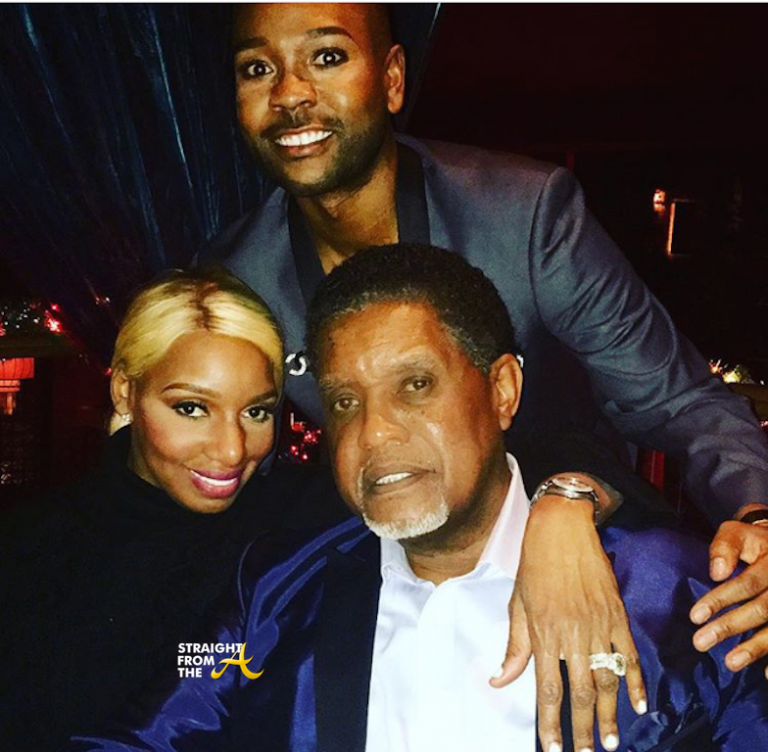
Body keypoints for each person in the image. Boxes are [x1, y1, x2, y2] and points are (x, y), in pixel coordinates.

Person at [199, 2, 768, 689]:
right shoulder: (239, 280)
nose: (290, 93)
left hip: (588, 551)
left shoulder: (523, 216)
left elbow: (680, 401)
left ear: (392, 79)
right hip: (391, 572)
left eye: (327, 57)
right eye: (256, 68)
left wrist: (756, 516)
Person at [69, 246, 768, 752]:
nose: (374, 433)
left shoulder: (681, 591)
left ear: (502, 391)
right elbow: (157, 728)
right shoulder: (280, 587)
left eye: (416, 386)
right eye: (346, 402)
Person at [0, 268, 344, 752]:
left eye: (256, 411)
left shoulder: (307, 520)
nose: (232, 449)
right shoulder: (29, 549)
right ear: (125, 391)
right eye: (192, 408)